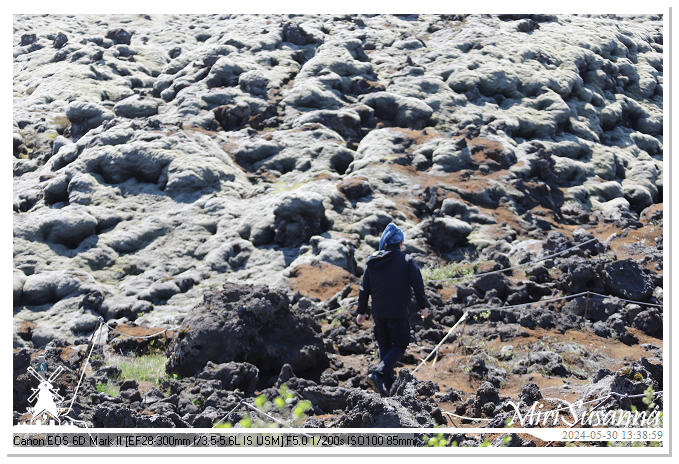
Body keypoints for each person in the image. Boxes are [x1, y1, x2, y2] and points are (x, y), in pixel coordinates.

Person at [355, 222, 429, 396]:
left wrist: (361, 311)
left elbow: (364, 288)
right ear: (400, 243)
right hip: (398, 311)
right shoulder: (406, 260)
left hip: (378, 313)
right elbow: (418, 286)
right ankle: (379, 374)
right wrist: (423, 307)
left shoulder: (373, 261)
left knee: (385, 347)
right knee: (401, 343)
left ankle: (386, 388)